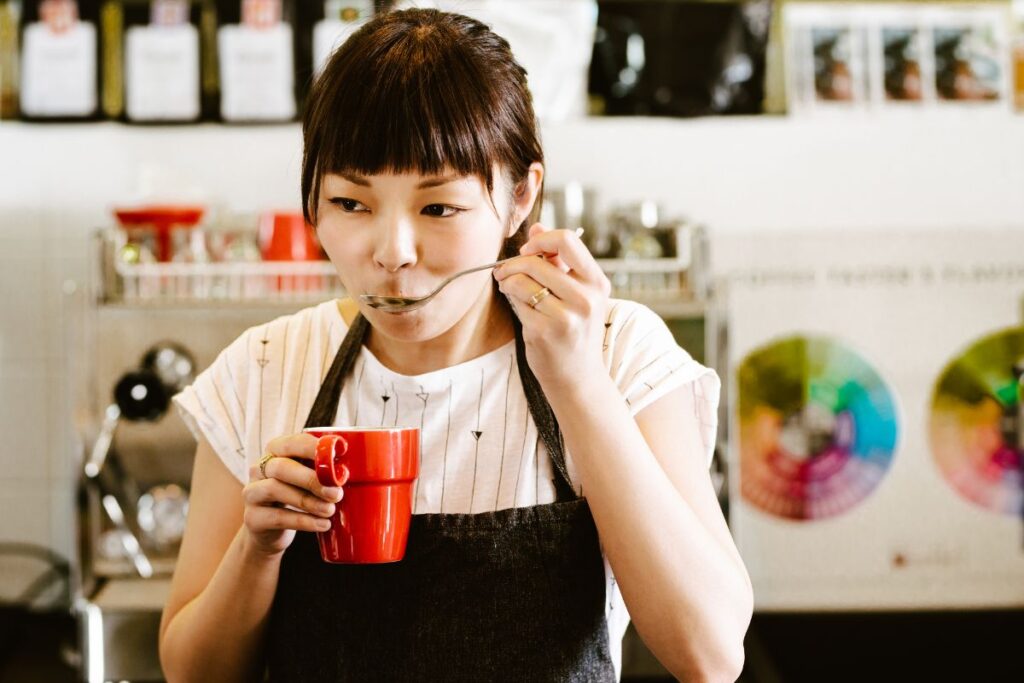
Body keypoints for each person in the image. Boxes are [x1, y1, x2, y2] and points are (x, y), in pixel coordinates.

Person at [158, 7, 752, 682]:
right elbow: (192, 671)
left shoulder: (616, 350)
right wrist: (257, 547)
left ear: (520, 195)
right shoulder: (262, 369)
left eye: (438, 207)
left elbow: (710, 654)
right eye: (352, 203)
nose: (392, 253)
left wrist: (578, 382)